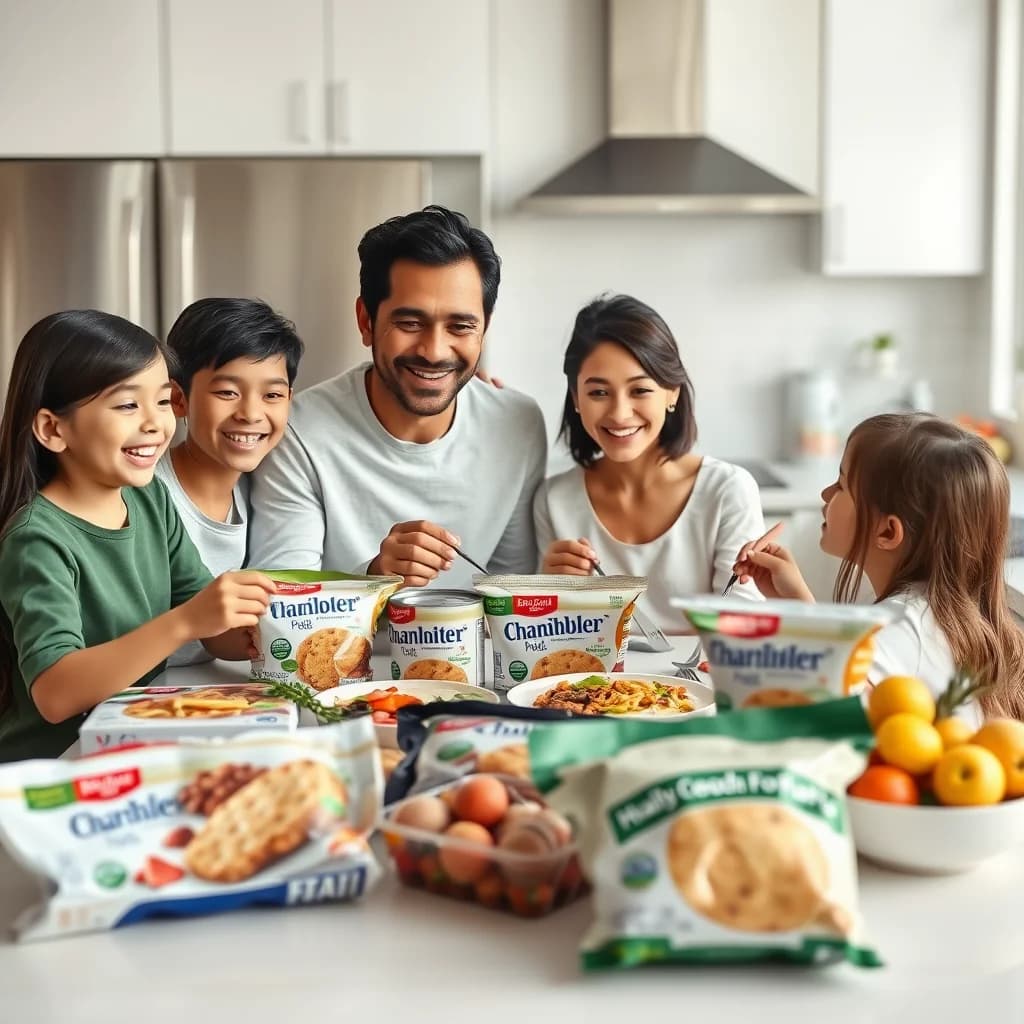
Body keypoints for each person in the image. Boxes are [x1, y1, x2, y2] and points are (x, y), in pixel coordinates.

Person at [0, 311, 276, 761]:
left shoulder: (150, 502)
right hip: (51, 767)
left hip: (128, 741)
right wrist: (185, 622)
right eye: (128, 405)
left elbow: (212, 628)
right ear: (53, 428)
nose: (156, 424)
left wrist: (259, 626)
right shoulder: (37, 538)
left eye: (164, 401)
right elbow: (54, 692)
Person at [248, 205, 547, 588]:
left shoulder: (517, 424)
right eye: (409, 323)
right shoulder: (299, 432)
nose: (435, 351)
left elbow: (508, 589)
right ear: (366, 321)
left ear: (484, 329)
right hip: (348, 650)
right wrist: (376, 577)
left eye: (460, 326)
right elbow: (283, 602)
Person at [731, 413, 1024, 720]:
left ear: (887, 532)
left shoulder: (898, 627)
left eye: (842, 484)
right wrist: (799, 606)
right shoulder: (944, 614)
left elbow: (833, 713)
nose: (825, 494)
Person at [533, 294, 765, 634]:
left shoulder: (727, 490)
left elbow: (744, 627)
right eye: (598, 393)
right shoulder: (554, 500)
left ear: (672, 392)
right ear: (575, 398)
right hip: (596, 685)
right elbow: (548, 638)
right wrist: (547, 590)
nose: (619, 413)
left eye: (639, 390)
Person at [159, 298, 304, 664]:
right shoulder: (143, 494)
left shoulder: (264, 489)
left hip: (211, 690)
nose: (251, 414)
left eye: (271, 395)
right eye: (227, 392)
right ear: (179, 399)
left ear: (290, 400)